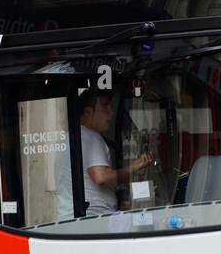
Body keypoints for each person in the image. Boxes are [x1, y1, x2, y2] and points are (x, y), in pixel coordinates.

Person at [56, 90, 154, 221]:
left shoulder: (68, 140)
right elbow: (100, 176)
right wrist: (134, 167)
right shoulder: (92, 138)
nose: (111, 113)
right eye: (105, 107)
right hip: (93, 218)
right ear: (88, 112)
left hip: (69, 219)